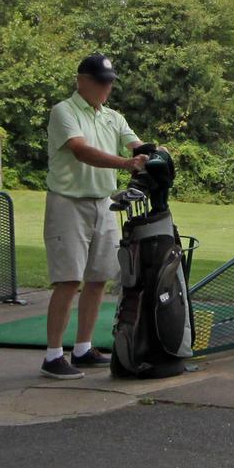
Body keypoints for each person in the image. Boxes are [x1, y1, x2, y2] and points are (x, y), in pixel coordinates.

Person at [42, 53, 148, 379]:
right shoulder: (64, 111)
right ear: (82, 81)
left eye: (110, 83)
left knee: (99, 277)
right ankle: (53, 356)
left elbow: (135, 144)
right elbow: (80, 150)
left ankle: (83, 348)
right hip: (68, 203)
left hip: (103, 203)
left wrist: (154, 154)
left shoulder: (113, 117)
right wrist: (127, 164)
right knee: (68, 279)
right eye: (101, 82)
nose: (106, 88)